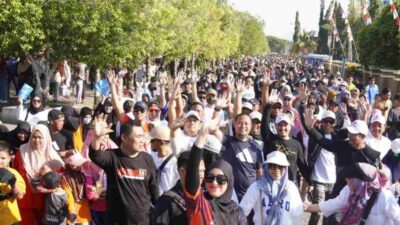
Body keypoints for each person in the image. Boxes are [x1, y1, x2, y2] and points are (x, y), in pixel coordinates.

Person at [89, 114, 159, 225]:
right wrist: (97, 137)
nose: (142, 140)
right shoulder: (113, 157)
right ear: (124, 138)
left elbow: (153, 188)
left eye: (143, 136)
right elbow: (96, 156)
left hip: (142, 220)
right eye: (138, 136)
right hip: (116, 220)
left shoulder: (147, 159)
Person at [184, 119, 248, 225]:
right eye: (210, 178)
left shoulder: (237, 213)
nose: (214, 183)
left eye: (221, 179)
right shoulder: (200, 203)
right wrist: (203, 133)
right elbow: (192, 169)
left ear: (229, 182)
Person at [304, 163, 400, 225]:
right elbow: (334, 203)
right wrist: (307, 207)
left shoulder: (384, 196)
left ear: (362, 180)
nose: (346, 180)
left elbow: (398, 218)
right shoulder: (350, 190)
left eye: (350, 178)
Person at [13, 124, 64, 225]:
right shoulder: (22, 151)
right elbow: (16, 170)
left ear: (46, 138)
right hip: (25, 196)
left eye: (40, 137)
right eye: (34, 137)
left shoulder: (52, 155)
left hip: (45, 197)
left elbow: (61, 176)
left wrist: (50, 171)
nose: (36, 140)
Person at [240, 151, 303, 225]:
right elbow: (242, 211)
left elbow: (297, 214)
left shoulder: (291, 187)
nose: (277, 170)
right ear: (266, 167)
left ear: (285, 168)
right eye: (272, 166)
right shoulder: (257, 187)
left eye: (281, 166)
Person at [220, 113, 263, 201]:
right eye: (240, 123)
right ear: (234, 125)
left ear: (251, 126)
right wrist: (217, 109)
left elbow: (260, 172)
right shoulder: (227, 140)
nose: (243, 126)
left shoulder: (256, 146)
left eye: (246, 123)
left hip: (250, 196)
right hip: (229, 194)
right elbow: (213, 130)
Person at [153, 151, 200, 225]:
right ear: (181, 171)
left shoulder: (205, 197)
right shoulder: (166, 201)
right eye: (197, 171)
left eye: (203, 170)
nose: (201, 175)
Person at [0, 141, 26, 225]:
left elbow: (20, 196)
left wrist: (13, 182)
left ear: (10, 158)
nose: (0, 161)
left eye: (3, 158)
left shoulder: (14, 174)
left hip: (9, 217)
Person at [150, 126, 179, 195]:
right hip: (153, 202)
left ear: (161, 142)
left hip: (167, 202)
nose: (150, 143)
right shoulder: (150, 157)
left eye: (152, 140)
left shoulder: (175, 161)